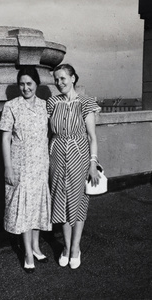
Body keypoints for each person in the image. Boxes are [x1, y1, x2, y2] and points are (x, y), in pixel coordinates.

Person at [47, 63, 101, 269]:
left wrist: (93, 164)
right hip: (57, 157)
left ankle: (76, 248)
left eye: (63, 78)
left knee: (78, 202)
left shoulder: (86, 102)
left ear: (73, 78)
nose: (59, 82)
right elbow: (48, 133)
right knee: (60, 201)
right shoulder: (52, 102)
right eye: (56, 79)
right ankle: (66, 248)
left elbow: (92, 137)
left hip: (79, 157)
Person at [0, 66, 52, 273]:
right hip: (20, 165)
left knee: (37, 206)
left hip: (40, 164)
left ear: (36, 84)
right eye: (22, 84)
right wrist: (8, 167)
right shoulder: (11, 106)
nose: (25, 88)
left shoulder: (45, 106)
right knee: (24, 208)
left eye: (29, 83)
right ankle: (28, 252)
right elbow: (5, 139)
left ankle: (37, 247)